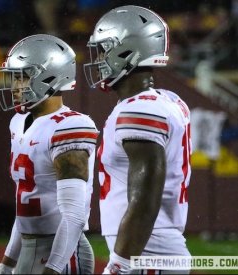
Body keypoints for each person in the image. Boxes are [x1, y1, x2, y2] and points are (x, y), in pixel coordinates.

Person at [83, 5, 192, 274]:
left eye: (105, 50)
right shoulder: (166, 101)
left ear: (128, 51)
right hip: (155, 253)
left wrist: (119, 265)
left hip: (147, 256)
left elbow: (144, 200)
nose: (99, 60)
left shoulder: (139, 109)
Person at [0, 34, 98, 274]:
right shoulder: (19, 122)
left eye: (22, 78)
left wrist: (53, 267)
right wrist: (6, 263)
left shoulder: (69, 126)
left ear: (49, 77)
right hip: (30, 250)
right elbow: (26, 208)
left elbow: (74, 215)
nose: (14, 87)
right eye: (14, 78)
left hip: (62, 252)